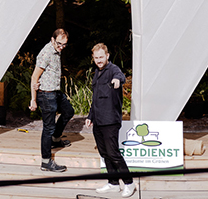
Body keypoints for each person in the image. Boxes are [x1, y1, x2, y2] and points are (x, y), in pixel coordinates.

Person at [86, 43, 135, 196]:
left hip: (110, 120)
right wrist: (90, 116)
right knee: (104, 153)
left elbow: (121, 76)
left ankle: (129, 183)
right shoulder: (96, 73)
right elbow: (95, 99)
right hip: (98, 121)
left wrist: (117, 81)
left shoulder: (113, 70)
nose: (99, 60)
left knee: (113, 153)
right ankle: (113, 183)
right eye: (96, 58)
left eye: (101, 57)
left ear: (107, 56)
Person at [30, 28, 74, 173]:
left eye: (64, 45)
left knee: (69, 111)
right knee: (48, 127)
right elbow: (34, 78)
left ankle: (55, 139)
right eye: (59, 44)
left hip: (55, 91)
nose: (61, 47)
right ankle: (46, 162)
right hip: (46, 94)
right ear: (52, 40)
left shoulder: (57, 50)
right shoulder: (46, 53)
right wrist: (33, 100)